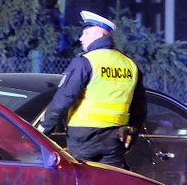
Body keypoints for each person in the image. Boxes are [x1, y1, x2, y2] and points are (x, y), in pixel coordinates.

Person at [38, 10, 146, 169]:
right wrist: (133, 135)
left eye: (86, 33)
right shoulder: (130, 65)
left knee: (80, 184)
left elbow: (63, 99)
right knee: (109, 183)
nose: (81, 38)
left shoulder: (86, 62)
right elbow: (139, 107)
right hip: (115, 138)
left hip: (84, 137)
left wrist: (42, 131)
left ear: (101, 34)